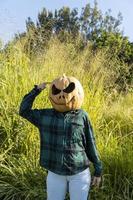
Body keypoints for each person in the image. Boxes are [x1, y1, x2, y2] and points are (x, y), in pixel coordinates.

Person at [19, 76, 102, 200]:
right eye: (57, 91)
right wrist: (36, 90)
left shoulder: (82, 116)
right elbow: (24, 111)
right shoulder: (44, 116)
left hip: (79, 173)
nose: (62, 96)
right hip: (55, 173)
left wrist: (98, 169)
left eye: (68, 90)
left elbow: (90, 142)